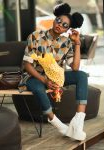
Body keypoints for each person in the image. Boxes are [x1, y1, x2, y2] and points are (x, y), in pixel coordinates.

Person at [22, 3, 88, 141]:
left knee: (81, 75)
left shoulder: (67, 42)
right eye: (59, 21)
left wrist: (77, 44)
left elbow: (75, 68)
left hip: (56, 77)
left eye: (65, 25)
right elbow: (27, 65)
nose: (60, 25)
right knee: (38, 89)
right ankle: (58, 124)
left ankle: (78, 120)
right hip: (35, 76)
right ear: (54, 19)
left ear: (67, 30)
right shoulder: (36, 36)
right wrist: (45, 80)